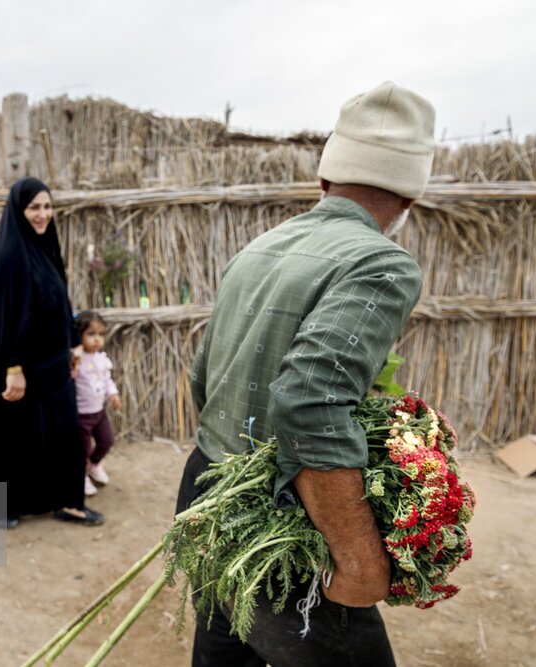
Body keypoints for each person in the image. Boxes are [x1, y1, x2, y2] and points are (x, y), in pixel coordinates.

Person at [180, 82, 436, 666]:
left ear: (325, 178)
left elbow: (202, 378)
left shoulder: (261, 247)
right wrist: (360, 559)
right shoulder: (380, 263)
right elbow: (310, 400)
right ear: (410, 196)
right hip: (277, 525)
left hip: (206, 489)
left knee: (226, 656)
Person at [0, 177, 104, 529]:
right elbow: (2, 317)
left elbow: (59, 303)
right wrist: (13, 368)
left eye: (47, 206)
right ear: (18, 210)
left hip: (51, 363)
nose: (43, 214)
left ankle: (68, 501)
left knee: (61, 431)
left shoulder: (45, 249)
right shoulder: (6, 257)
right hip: (16, 363)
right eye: (34, 208)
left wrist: (72, 345)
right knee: (6, 436)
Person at [72, 310, 122, 497]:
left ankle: (93, 464)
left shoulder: (101, 359)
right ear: (79, 335)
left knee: (107, 440)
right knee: (82, 449)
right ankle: (81, 475)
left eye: (101, 334)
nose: (97, 339)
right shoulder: (76, 359)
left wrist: (113, 394)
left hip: (99, 412)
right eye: (91, 334)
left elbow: (107, 380)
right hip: (81, 415)